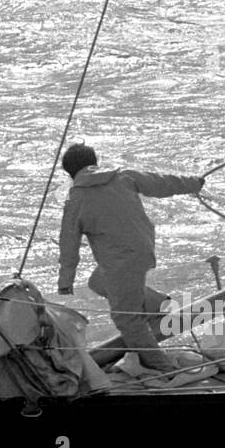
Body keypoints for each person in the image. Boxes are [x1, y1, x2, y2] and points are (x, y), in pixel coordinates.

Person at [56, 143, 204, 370]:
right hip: (143, 249)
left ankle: (163, 369)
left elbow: (69, 245)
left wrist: (65, 281)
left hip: (120, 261)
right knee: (97, 281)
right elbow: (161, 182)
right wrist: (193, 183)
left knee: (127, 319)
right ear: (95, 161)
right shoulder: (122, 176)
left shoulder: (75, 200)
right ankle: (159, 305)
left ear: (69, 173)